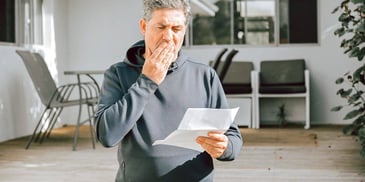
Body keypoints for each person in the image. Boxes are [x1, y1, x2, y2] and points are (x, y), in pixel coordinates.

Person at [94, 0, 243, 181]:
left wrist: (225, 147)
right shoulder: (118, 74)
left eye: (176, 29)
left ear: (184, 30)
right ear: (144, 26)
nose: (168, 36)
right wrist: (147, 81)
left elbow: (233, 137)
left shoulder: (205, 76)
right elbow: (107, 136)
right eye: (161, 27)